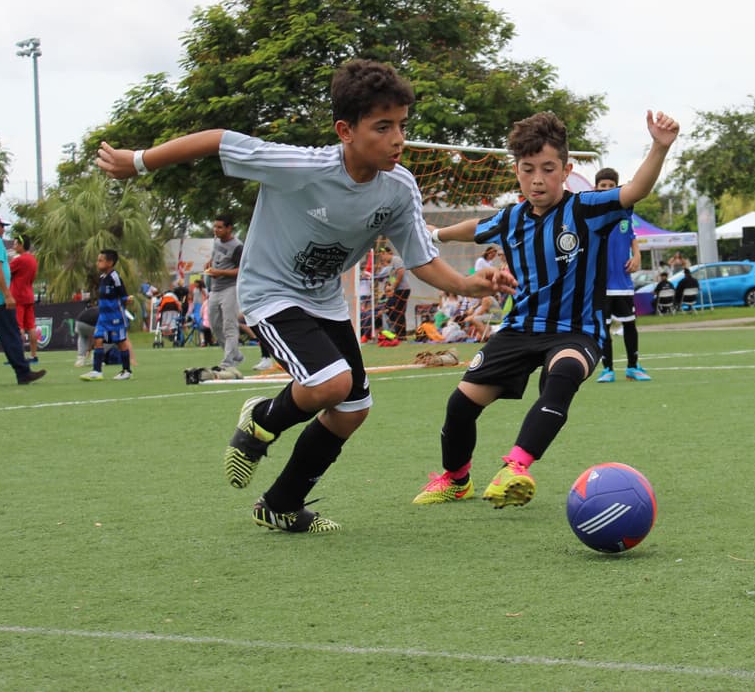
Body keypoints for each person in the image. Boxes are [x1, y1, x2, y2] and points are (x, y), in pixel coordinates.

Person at [95, 58, 513, 534]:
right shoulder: (300, 166)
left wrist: (467, 285)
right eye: (382, 126)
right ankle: (261, 419)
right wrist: (140, 161)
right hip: (269, 292)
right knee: (332, 384)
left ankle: (281, 504)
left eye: (401, 125)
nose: (398, 138)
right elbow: (218, 139)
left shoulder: (400, 188)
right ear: (345, 130)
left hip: (323, 300)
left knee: (352, 410)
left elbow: (421, 258)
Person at [412, 108, 679, 508]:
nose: (537, 179)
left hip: (578, 330)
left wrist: (659, 147)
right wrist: (437, 233)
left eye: (549, 168)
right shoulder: (513, 217)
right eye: (528, 169)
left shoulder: (586, 209)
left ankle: (516, 467)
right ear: (516, 171)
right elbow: (478, 226)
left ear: (566, 169)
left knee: (565, 373)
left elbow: (634, 191)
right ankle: (456, 479)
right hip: (520, 329)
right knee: (460, 405)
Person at [594, 167, 651, 383]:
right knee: (604, 328)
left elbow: (632, 236)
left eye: (611, 186)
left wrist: (637, 256)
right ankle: (607, 369)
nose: (607, 189)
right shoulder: (594, 214)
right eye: (603, 186)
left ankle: (633, 367)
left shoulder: (625, 212)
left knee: (629, 325)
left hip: (623, 282)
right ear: (596, 188)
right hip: (601, 284)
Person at [0, 212, 47, 386]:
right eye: (1, 226)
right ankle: (23, 373)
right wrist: (7, 294)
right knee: (11, 335)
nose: (3, 230)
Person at [80, 249, 135, 380]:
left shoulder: (115, 278)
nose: (97, 263)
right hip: (103, 316)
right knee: (98, 339)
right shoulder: (102, 278)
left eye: (100, 260)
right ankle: (97, 371)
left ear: (110, 263)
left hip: (115, 316)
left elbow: (124, 296)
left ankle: (126, 371)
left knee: (121, 342)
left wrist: (126, 301)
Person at [205, 214, 245, 369]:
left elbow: (242, 270)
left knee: (230, 325)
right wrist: (209, 264)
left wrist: (220, 272)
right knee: (214, 324)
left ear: (229, 228)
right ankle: (235, 354)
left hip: (230, 288)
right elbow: (216, 258)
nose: (216, 230)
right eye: (215, 227)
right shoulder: (216, 241)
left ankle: (228, 361)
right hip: (215, 288)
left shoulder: (237, 246)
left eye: (220, 227)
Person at [9, 233, 40, 363]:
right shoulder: (33, 259)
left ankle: (19, 357)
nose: (13, 246)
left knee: (18, 327)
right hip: (28, 295)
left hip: (18, 296)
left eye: (15, 243)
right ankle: (33, 355)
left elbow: (6, 271)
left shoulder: (19, 260)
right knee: (31, 326)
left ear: (21, 245)